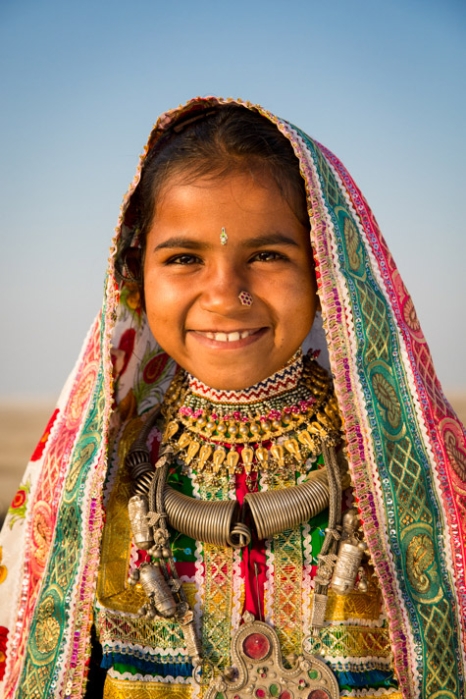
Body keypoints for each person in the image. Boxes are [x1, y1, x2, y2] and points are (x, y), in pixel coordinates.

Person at [0, 97, 465, 699]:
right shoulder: (88, 490)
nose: (227, 295)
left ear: (326, 274)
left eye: (268, 256)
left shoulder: (422, 488)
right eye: (185, 258)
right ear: (137, 281)